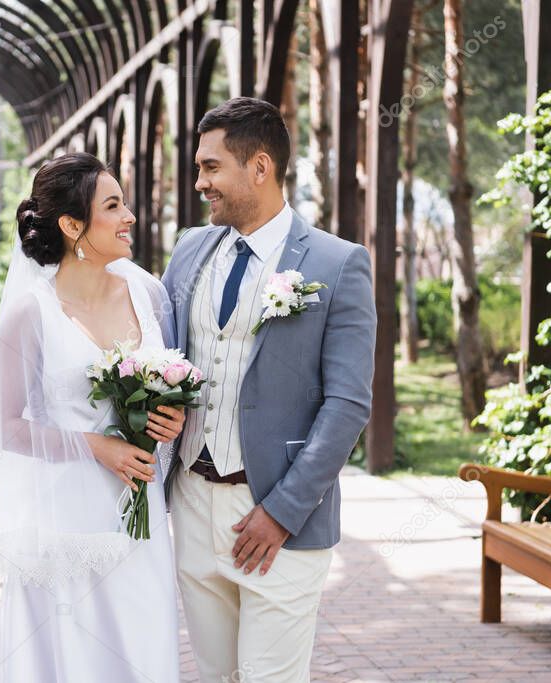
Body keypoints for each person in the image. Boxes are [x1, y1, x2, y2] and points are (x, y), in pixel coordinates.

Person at [161, 97, 377, 682]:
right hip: (191, 499)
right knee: (215, 675)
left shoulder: (337, 264)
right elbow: (162, 358)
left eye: (211, 168)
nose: (200, 181)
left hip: (278, 516)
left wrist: (281, 512)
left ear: (259, 167)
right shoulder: (189, 251)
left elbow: (348, 403)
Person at [0, 153, 184, 682]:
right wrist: (98, 447)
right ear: (73, 226)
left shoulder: (149, 295)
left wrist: (168, 421)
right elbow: (4, 428)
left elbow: (172, 385)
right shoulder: (32, 313)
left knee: (143, 652)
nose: (129, 217)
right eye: (113, 206)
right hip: (62, 525)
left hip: (138, 517)